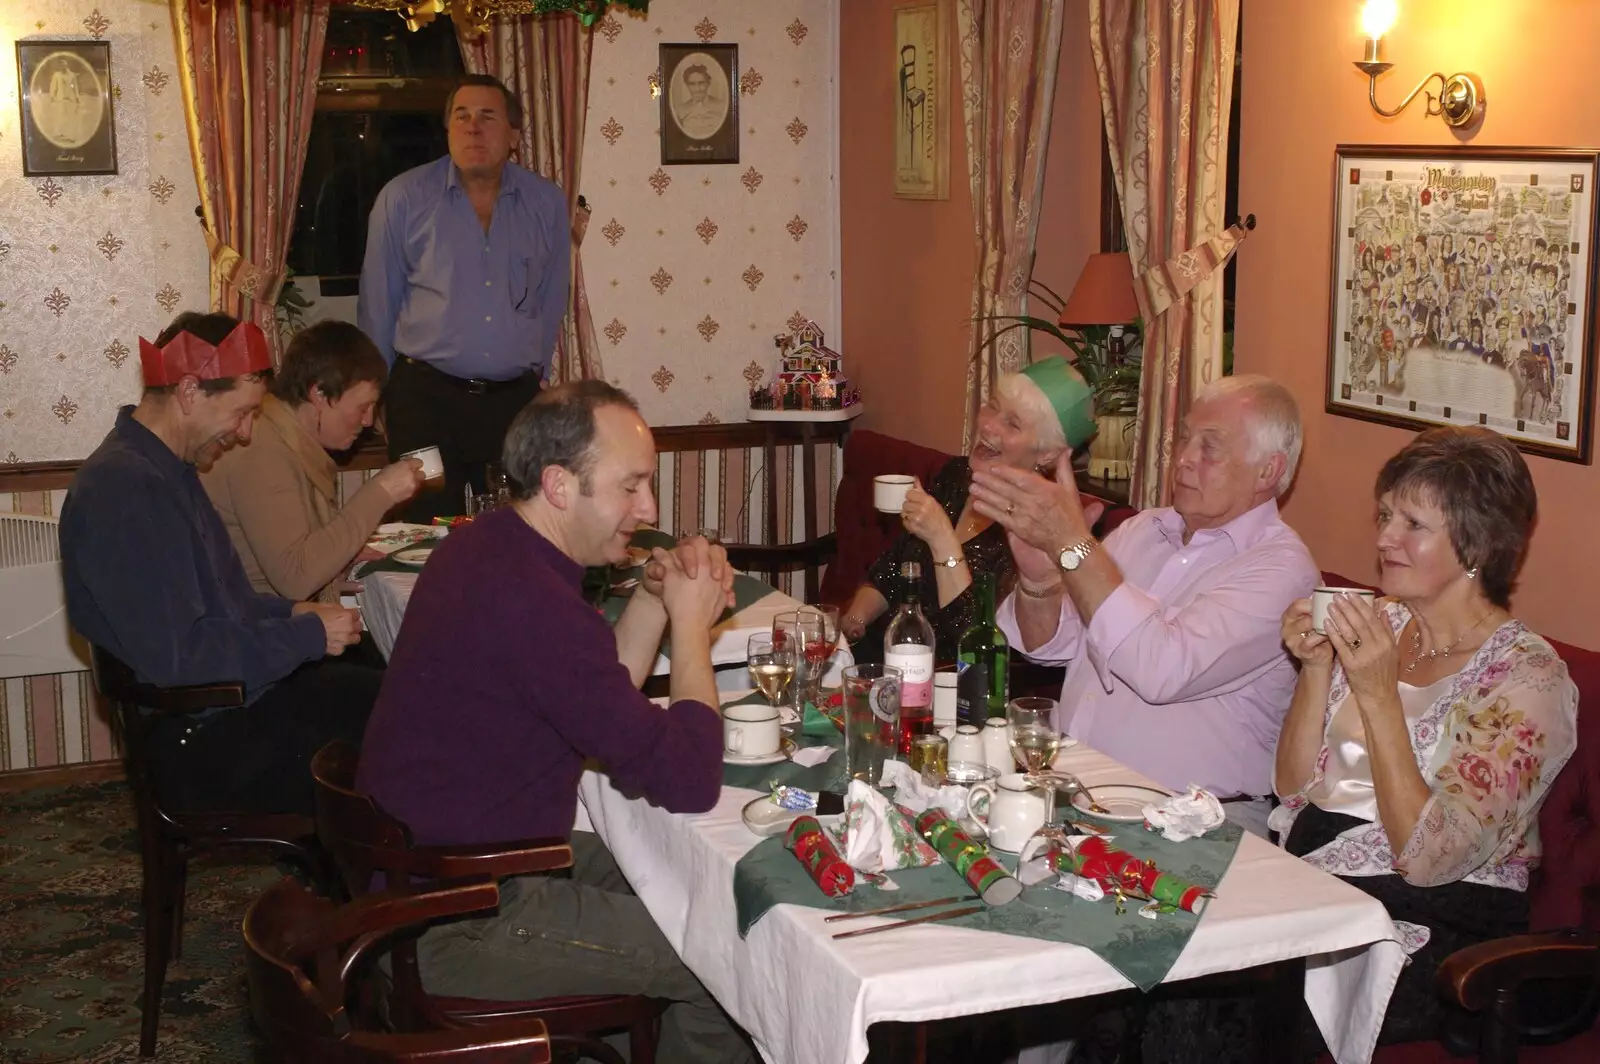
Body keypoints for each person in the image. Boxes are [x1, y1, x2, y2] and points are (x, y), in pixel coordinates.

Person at [356, 381, 755, 1064]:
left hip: (424, 878)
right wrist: (693, 630)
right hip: (457, 919)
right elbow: (689, 778)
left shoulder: (491, 548)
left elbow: (597, 700)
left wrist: (657, 603)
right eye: (631, 487)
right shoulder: (532, 602)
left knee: (694, 879)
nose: (650, 508)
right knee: (728, 963)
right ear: (560, 485)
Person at [1275, 425, 1577, 1050]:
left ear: (1477, 544)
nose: (1384, 538)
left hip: (1441, 916)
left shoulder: (1528, 678)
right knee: (1171, 960)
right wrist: (1316, 668)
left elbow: (1431, 859)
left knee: (1242, 993)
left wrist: (1380, 694)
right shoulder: (1378, 620)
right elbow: (1290, 786)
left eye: (1413, 524)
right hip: (1322, 877)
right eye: (1386, 515)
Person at [969, 375, 1319, 838]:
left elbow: (1161, 670)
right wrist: (1041, 580)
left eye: (1209, 447)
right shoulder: (1145, 529)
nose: (1185, 458)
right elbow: (1048, 643)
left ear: (1268, 471)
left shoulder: (1281, 571)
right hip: (1076, 795)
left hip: (1195, 822)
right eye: (1185, 439)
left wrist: (1072, 543)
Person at [60, 312, 380, 815]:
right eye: (241, 413)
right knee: (401, 716)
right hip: (197, 741)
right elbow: (182, 658)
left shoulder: (168, 472)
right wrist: (308, 636)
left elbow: (225, 604)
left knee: (386, 675)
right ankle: (399, 874)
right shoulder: (124, 491)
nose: (246, 432)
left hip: (223, 710)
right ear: (190, 391)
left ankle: (370, 875)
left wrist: (294, 612)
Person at [358, 73, 569, 522]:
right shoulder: (403, 199)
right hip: (425, 404)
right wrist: (376, 396)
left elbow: (551, 300)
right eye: (462, 116)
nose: (473, 127)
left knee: (515, 531)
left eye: (488, 117)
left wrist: (539, 377)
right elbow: (378, 305)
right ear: (448, 129)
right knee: (424, 530)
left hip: (514, 406)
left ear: (514, 134)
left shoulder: (546, 203)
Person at [840, 356, 1098, 664]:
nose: (987, 424)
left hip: (952, 689)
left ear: (1047, 453)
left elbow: (975, 645)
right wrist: (855, 620)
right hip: (883, 661)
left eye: (1012, 423)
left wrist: (941, 539)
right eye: (991, 405)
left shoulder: (1038, 531)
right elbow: (895, 564)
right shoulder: (957, 476)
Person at [202, 320, 425, 605]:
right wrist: (379, 492)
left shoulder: (284, 436)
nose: (369, 420)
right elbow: (297, 578)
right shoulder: (261, 448)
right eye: (362, 407)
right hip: (251, 627)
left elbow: (296, 553)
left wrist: (337, 556)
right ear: (319, 394)